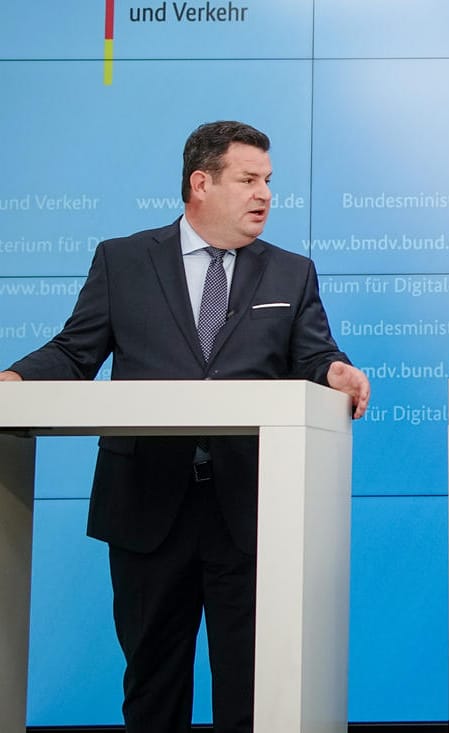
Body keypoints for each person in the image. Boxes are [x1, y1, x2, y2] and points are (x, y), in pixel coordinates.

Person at [0, 120, 370, 733]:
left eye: (268, 181)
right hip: (146, 505)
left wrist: (336, 371)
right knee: (153, 685)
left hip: (250, 511)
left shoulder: (291, 273)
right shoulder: (122, 260)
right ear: (201, 183)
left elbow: (312, 357)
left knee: (251, 693)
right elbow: (74, 353)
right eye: (248, 180)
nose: (265, 195)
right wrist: (13, 379)